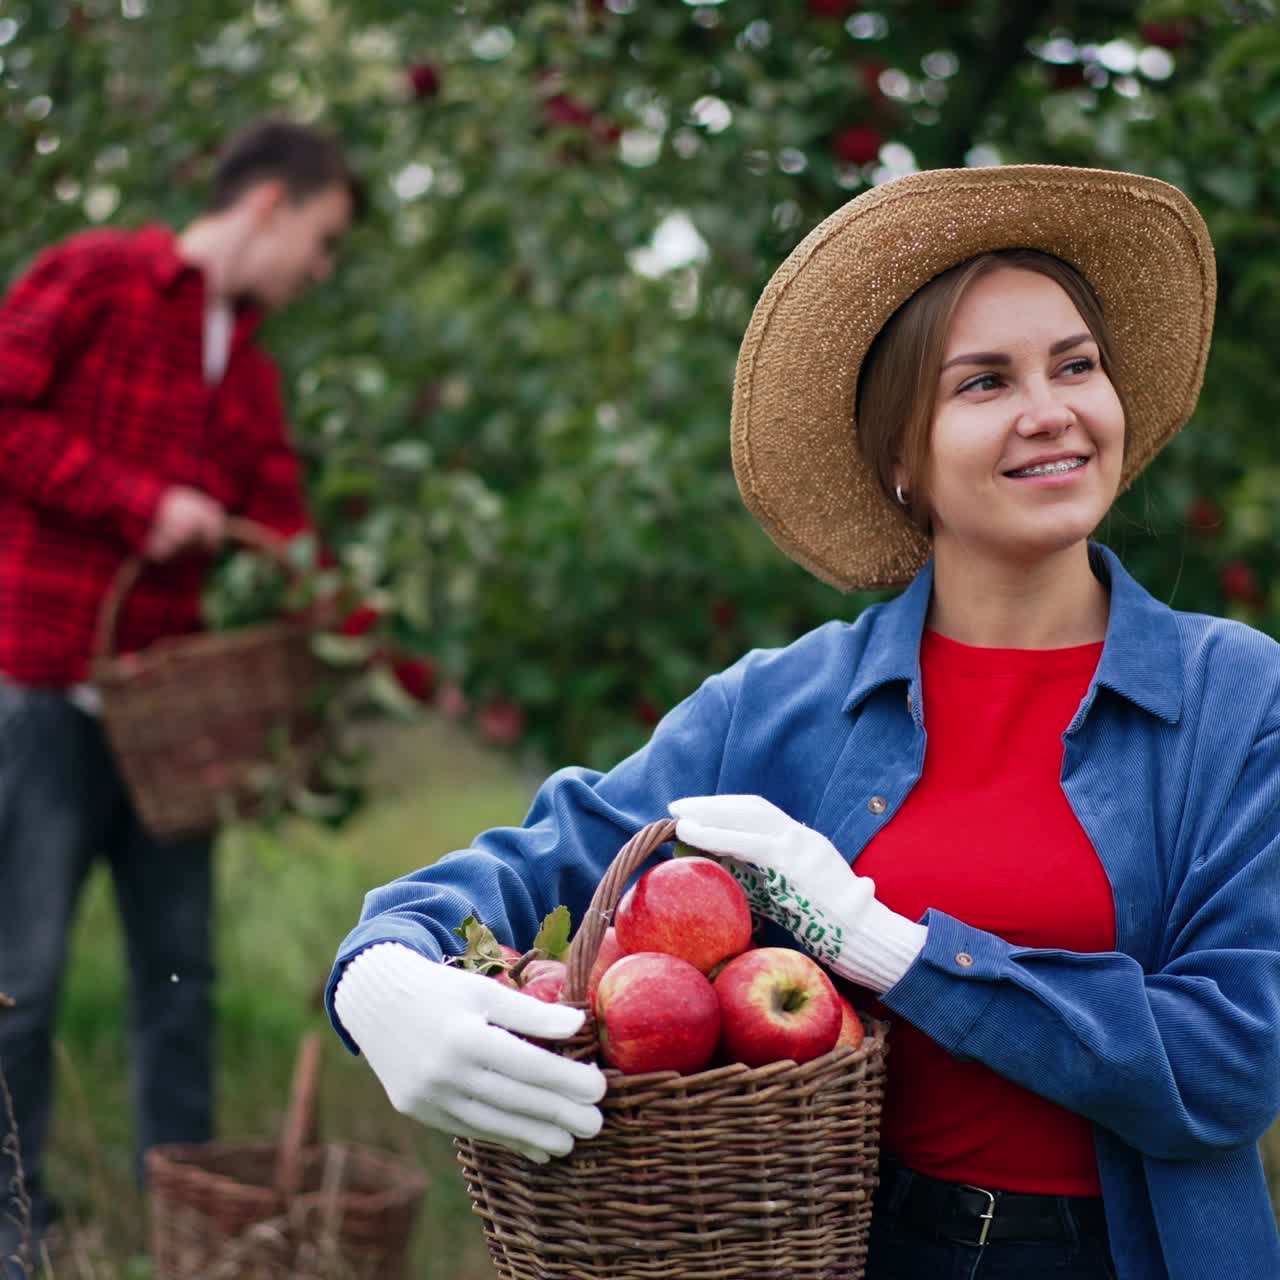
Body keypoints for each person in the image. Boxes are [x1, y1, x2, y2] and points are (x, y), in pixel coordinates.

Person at [325, 165, 1280, 1280]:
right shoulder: (783, 704)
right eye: (983, 383)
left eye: (1076, 365)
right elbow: (540, 855)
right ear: (897, 459)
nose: (1049, 409)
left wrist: (892, 948)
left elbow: (1225, 1062)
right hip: (856, 1247)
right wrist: (378, 973)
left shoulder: (1234, 696)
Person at [0, 117, 362, 1270]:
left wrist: (382, 651)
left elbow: (285, 523)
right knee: (22, 975)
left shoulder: (247, 370)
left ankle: (191, 1224)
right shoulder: (98, 278)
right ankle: (13, 1224)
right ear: (267, 202)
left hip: (169, 733)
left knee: (178, 978)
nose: (320, 268)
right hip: (43, 688)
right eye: (321, 238)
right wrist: (135, 499)